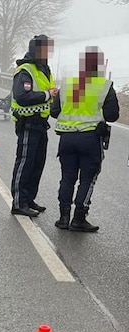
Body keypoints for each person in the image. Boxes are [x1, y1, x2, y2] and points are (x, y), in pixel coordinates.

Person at [50, 47, 119, 232]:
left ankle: (63, 218)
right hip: (90, 138)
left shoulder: (67, 84)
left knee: (67, 177)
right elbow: (112, 115)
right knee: (88, 178)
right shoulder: (104, 86)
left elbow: (54, 111)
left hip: (66, 139)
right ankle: (79, 218)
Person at [9, 34, 58, 217]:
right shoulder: (25, 70)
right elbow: (22, 97)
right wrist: (47, 94)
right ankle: (19, 202)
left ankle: (29, 199)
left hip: (41, 124)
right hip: (28, 123)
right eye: (45, 48)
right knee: (25, 164)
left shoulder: (45, 68)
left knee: (38, 164)